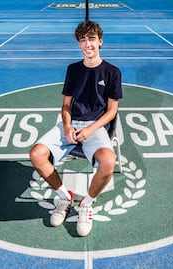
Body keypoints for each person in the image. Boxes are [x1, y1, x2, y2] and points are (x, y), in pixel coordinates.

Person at [29, 20, 123, 237]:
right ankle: (64, 197)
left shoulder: (112, 72)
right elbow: (66, 105)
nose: (87, 44)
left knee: (108, 162)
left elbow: (111, 111)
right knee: (36, 154)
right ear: (79, 44)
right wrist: (67, 125)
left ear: (100, 41)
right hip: (69, 125)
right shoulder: (73, 70)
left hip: (95, 128)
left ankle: (86, 205)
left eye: (91, 39)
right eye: (83, 40)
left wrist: (90, 129)